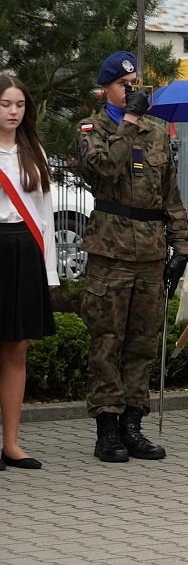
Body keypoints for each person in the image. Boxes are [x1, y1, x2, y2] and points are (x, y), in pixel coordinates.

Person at [79, 52, 188, 463]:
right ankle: (107, 429)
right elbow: (105, 169)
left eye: (136, 83)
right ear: (106, 88)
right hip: (110, 252)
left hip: (149, 252)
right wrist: (127, 122)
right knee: (108, 341)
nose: (132, 90)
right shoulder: (93, 129)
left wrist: (182, 247)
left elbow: (172, 197)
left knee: (142, 343)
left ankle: (133, 424)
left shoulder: (158, 133)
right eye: (125, 84)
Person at [0, 76, 57, 470]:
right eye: (5, 104)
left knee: (16, 348)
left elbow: (46, 216)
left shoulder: (32, 150)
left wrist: (50, 271)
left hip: (25, 250)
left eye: (19, 104)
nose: (13, 111)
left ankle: (12, 443)